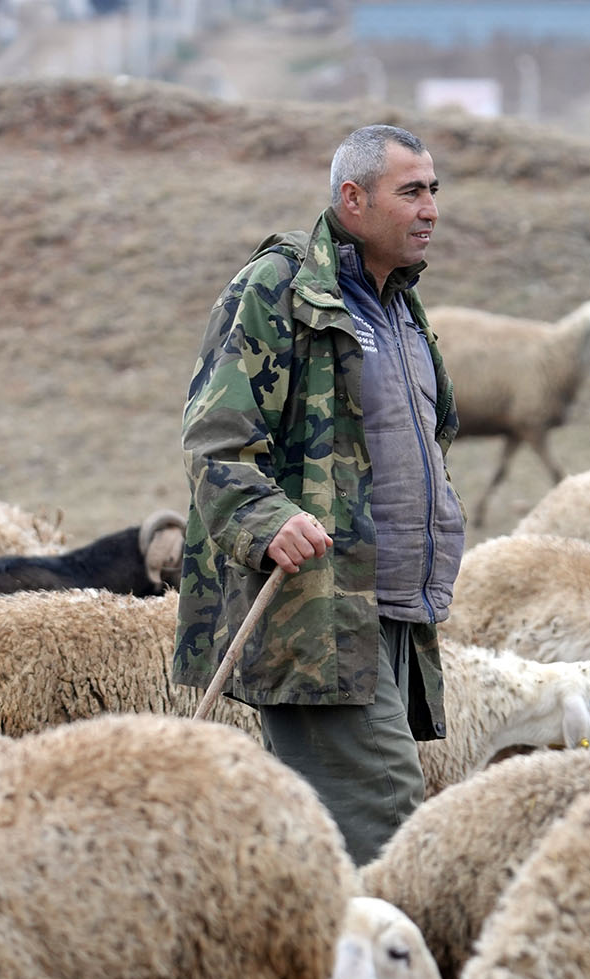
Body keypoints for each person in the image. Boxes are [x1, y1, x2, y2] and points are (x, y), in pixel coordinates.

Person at [172, 123, 464, 865]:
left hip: (398, 614)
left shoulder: (400, 307)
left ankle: (302, 967)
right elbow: (215, 439)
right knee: (390, 832)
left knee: (338, 839)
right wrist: (268, 518)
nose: (430, 208)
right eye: (411, 192)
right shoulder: (278, 291)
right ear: (353, 198)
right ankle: (361, 976)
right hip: (318, 617)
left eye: (434, 190)